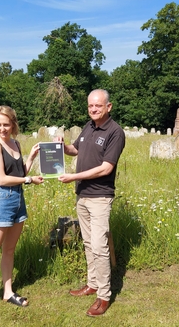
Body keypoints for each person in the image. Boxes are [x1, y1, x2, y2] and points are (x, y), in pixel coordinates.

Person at [56, 89, 125, 317]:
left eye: (98, 105)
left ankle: (103, 295)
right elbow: (75, 150)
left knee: (99, 246)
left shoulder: (115, 132)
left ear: (109, 106)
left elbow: (107, 168)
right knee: (88, 243)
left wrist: (74, 177)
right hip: (82, 195)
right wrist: (61, 147)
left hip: (100, 197)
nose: (93, 109)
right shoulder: (89, 126)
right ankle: (92, 283)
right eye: (90, 106)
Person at [0, 105, 44, 320]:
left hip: (18, 199)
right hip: (2, 200)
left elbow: (20, 172)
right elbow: (2, 178)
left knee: (10, 250)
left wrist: (30, 157)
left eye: (6, 124)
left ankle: (8, 292)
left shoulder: (15, 143)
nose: (2, 128)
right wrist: (29, 180)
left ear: (13, 124)